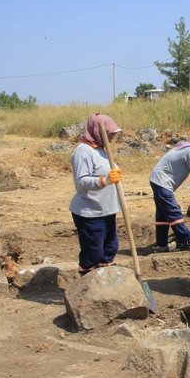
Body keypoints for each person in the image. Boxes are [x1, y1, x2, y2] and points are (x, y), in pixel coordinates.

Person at [69, 113, 124, 275]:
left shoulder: (101, 150)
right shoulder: (83, 151)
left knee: (110, 248)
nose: (113, 137)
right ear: (99, 132)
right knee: (93, 252)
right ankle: (87, 281)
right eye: (110, 133)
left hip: (107, 209)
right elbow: (82, 181)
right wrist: (104, 180)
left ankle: (105, 280)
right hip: (90, 211)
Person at [149, 129, 190, 252]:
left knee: (163, 214)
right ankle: (189, 241)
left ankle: (162, 244)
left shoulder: (187, 148)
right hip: (162, 182)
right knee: (173, 211)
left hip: (157, 180)